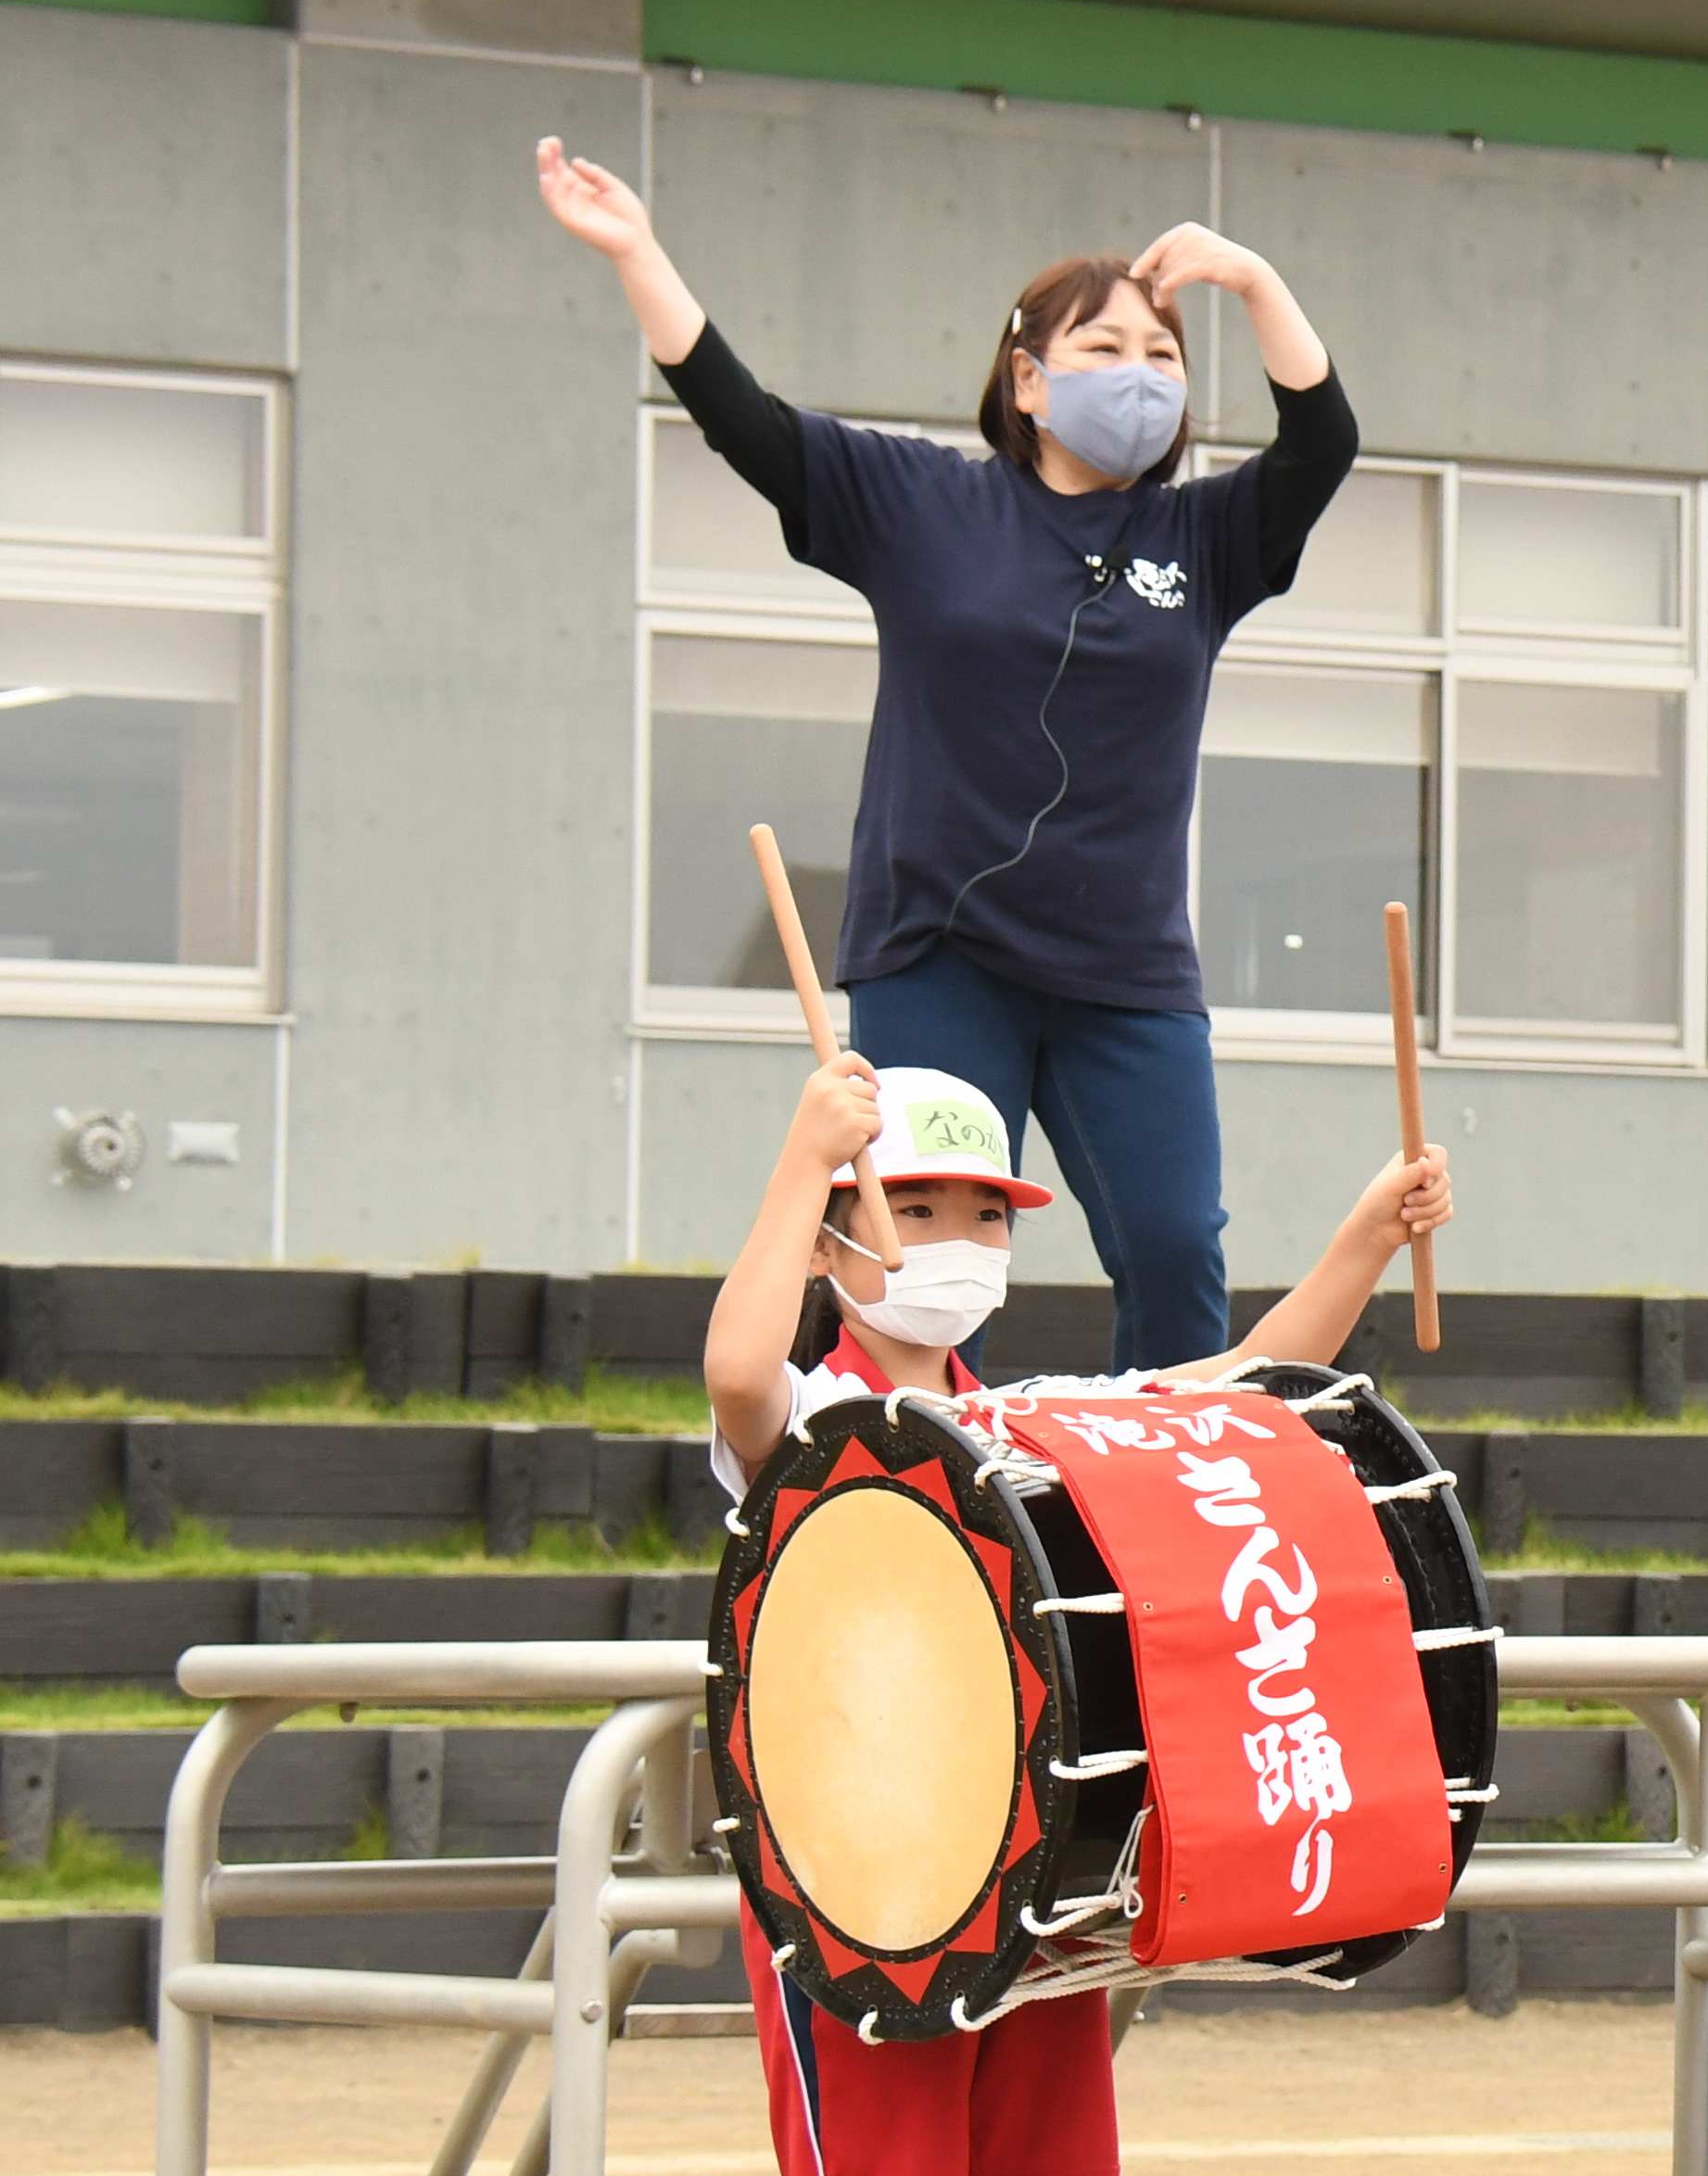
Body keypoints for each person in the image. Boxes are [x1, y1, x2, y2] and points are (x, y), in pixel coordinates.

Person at [704, 1053, 1449, 2176]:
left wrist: (1362, 1235)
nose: (955, 1239)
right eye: (914, 1207)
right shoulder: (816, 1419)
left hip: (1026, 1889)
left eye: (984, 1212)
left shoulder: (1022, 1424)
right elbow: (735, 1368)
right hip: (858, 1906)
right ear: (836, 1236)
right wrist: (800, 1161)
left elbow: (1239, 1390)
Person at [539, 137, 1359, 1372]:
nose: (1140, 378)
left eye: (1164, 356)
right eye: (1103, 349)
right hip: (940, 952)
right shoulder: (924, 504)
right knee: (913, 1257)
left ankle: (1159, 1470)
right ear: (1027, 380)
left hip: (1126, 967)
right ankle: (882, 1455)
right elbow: (745, 422)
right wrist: (638, 252)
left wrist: (1253, 282)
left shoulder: (1207, 537)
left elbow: (1322, 442)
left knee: (1175, 1246)